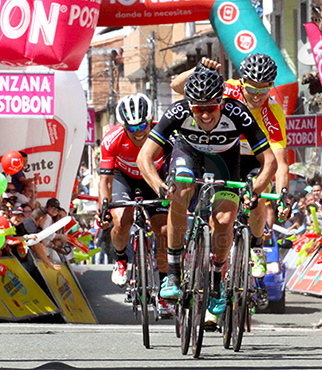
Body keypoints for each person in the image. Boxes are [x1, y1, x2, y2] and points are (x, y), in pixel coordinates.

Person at [137, 66, 277, 317]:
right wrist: (158, 185)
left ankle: (215, 281)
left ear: (221, 102)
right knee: (179, 192)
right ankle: (172, 274)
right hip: (188, 154)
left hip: (225, 162)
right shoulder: (177, 111)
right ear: (189, 104)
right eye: (197, 108)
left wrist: (253, 190)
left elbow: (269, 161)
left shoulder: (238, 112)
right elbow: (144, 157)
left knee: (224, 222)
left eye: (210, 107)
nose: (204, 115)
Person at [170, 54, 290, 277]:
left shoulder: (273, 113)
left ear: (271, 87)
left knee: (260, 197)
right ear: (241, 82)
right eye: (251, 89)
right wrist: (196, 70)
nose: (256, 96)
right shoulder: (227, 89)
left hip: (254, 158)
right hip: (221, 152)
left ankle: (256, 246)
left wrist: (284, 195)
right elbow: (177, 87)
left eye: (262, 91)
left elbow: (280, 163)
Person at [97, 93, 172, 296]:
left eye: (142, 126)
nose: (138, 132)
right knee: (121, 219)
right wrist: (104, 206)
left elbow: (175, 166)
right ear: (123, 127)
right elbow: (105, 180)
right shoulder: (112, 140)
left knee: (163, 229)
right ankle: (121, 259)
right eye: (131, 128)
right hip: (124, 178)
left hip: (153, 178)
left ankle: (166, 282)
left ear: (151, 121)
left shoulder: (164, 134)